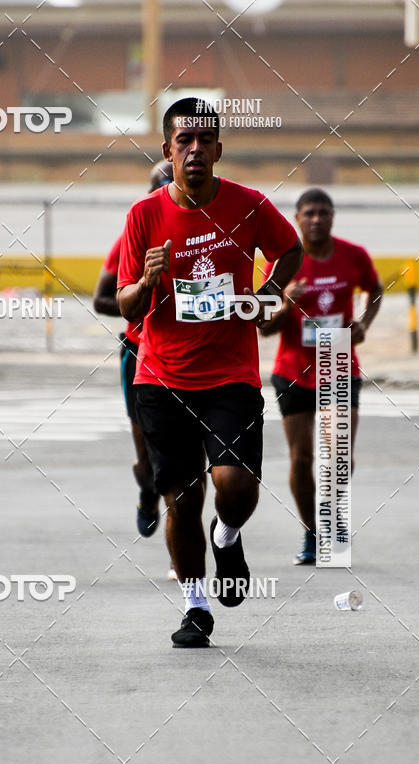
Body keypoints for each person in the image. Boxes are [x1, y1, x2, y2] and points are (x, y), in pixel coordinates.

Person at [117, 97, 303, 648]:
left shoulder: (247, 204)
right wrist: (147, 284)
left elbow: (289, 250)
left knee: (235, 486)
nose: (194, 150)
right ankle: (195, 606)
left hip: (231, 374)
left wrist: (264, 292)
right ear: (167, 150)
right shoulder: (144, 215)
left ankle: (228, 536)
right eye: (184, 141)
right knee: (182, 497)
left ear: (219, 150)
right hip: (163, 376)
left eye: (205, 141)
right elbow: (125, 305)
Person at [261, 188, 383, 564]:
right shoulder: (282, 264)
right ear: (296, 219)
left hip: (339, 366)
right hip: (293, 371)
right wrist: (286, 302)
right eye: (309, 213)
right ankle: (313, 533)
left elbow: (375, 290)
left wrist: (362, 323)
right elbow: (264, 328)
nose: (316, 219)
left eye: (323, 213)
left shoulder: (353, 255)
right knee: (301, 458)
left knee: (339, 454)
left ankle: (332, 515)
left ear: (332, 217)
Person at [93, 161, 173, 546]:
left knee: (186, 453)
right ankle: (147, 491)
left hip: (190, 353)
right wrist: (140, 295)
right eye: (161, 187)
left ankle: (183, 542)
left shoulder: (208, 231)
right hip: (139, 353)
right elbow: (101, 298)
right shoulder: (134, 234)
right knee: (148, 457)